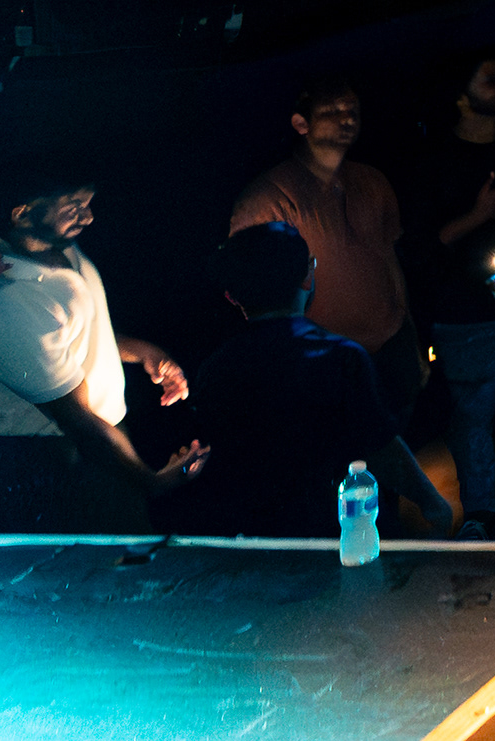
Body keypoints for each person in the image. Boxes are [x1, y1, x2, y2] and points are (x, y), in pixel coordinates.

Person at [157, 222, 456, 539]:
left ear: (232, 296)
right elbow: (381, 445)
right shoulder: (341, 357)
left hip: (250, 533)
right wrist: (432, 502)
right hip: (330, 531)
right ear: (308, 276)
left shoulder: (216, 368)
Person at [0, 168, 206, 530]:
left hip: (101, 445)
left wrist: (144, 352)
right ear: (22, 214)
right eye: (73, 207)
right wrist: (152, 481)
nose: (88, 217)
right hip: (61, 462)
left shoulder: (61, 248)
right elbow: (76, 418)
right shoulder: (8, 297)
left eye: (88, 204)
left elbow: (76, 333)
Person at [398, 48, 495, 534]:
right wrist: (481, 214)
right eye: (490, 80)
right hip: (465, 315)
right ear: (460, 97)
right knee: (473, 421)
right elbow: (418, 247)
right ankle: (480, 520)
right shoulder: (433, 161)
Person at [228, 77, 418, 407]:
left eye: (352, 109)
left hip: (389, 350)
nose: (347, 118)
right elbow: (251, 294)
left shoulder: (372, 182)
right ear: (301, 123)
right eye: (331, 111)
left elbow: (389, 258)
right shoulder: (269, 198)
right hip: (321, 362)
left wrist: (409, 334)